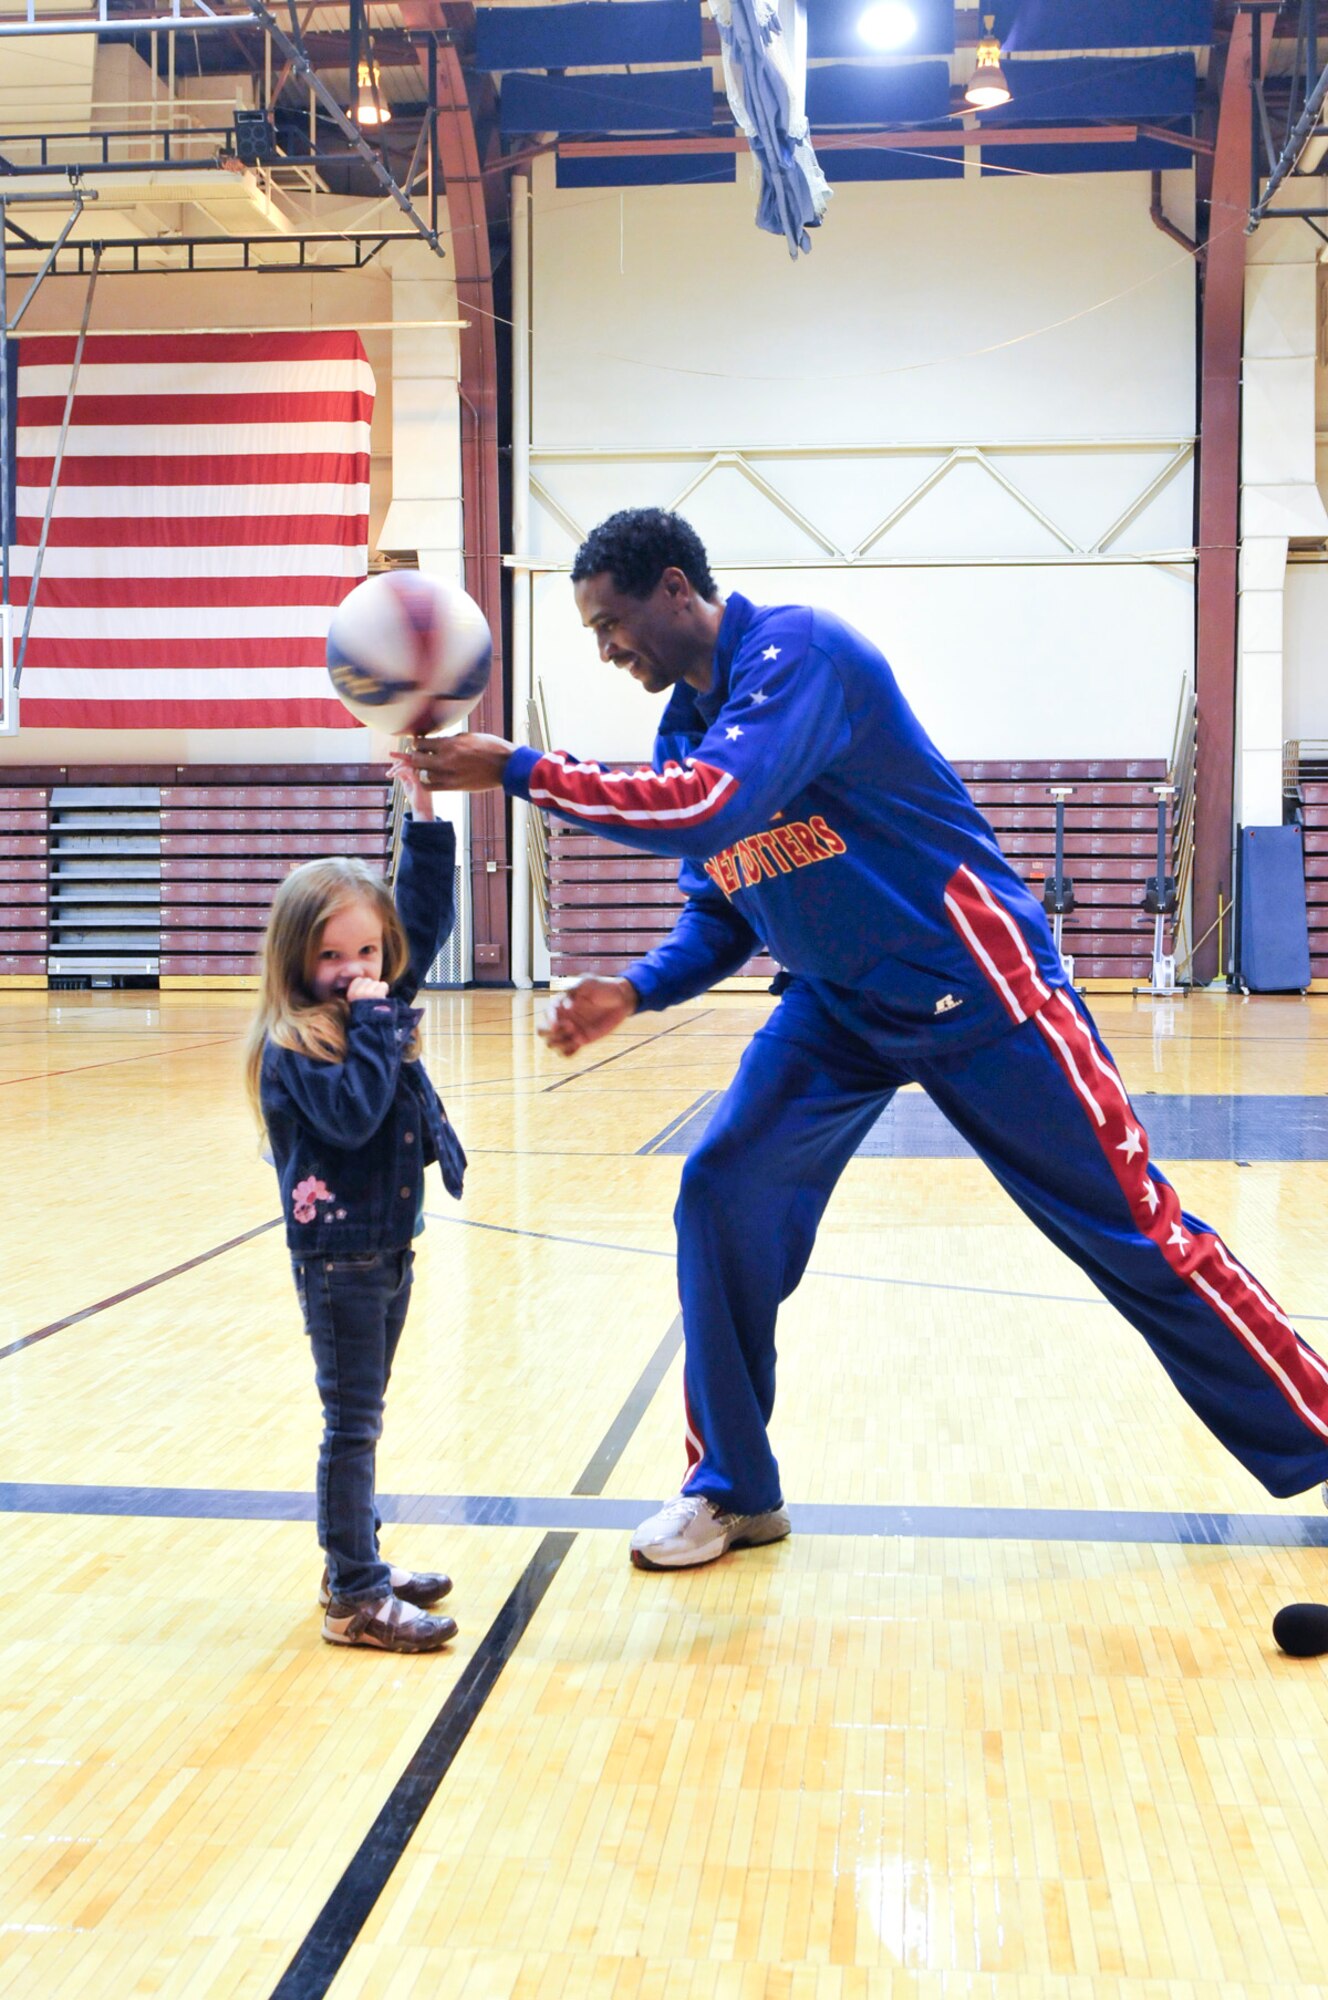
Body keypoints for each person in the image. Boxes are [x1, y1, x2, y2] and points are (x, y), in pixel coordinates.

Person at [403, 508, 1328, 1571]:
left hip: (975, 984)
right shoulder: (681, 727)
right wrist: (635, 987)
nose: (605, 649)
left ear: (672, 587)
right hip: (836, 1006)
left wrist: (519, 766)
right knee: (721, 1191)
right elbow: (723, 904)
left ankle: (1310, 1425)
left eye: (609, 623)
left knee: (1132, 1232)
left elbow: (708, 809)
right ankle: (733, 1488)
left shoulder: (800, 652)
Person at [245, 765, 467, 1646]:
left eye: (368, 954)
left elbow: (426, 912)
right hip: (340, 1259)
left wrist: (425, 813)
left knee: (365, 1414)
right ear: (298, 959)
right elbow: (354, 1114)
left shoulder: (375, 1004)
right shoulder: (299, 1042)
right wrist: (379, 1024)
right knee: (353, 1423)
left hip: (384, 1247)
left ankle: (357, 1555)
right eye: (332, 956)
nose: (353, 971)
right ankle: (354, 1598)